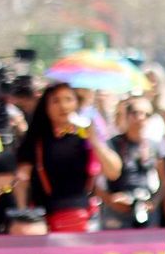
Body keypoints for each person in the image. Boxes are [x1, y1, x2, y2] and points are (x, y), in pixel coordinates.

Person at [14, 83, 123, 233]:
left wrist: (93, 139)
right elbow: (21, 180)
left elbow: (114, 172)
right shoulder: (36, 140)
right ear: (46, 106)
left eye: (68, 99)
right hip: (45, 219)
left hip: (84, 217)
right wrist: (23, 213)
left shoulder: (86, 137)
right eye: (56, 101)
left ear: (77, 103)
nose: (63, 106)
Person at [97, 97, 164, 229]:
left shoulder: (154, 146)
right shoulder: (112, 144)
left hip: (145, 211)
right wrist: (111, 200)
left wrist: (154, 202)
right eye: (136, 113)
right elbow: (97, 182)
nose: (141, 118)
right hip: (116, 214)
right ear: (126, 115)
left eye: (146, 114)